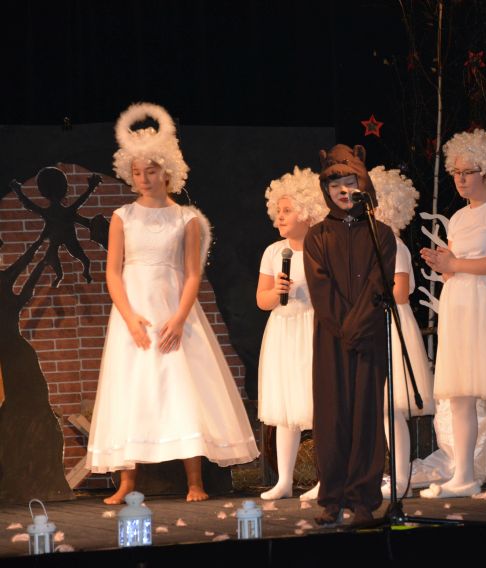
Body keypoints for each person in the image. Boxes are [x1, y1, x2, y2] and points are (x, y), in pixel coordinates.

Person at [85, 102, 259, 504]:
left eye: (151, 171)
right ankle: (127, 482)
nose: (144, 178)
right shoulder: (122, 216)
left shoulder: (186, 219)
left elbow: (193, 273)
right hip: (134, 313)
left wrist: (180, 318)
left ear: (167, 171)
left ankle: (195, 480)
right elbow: (113, 273)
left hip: (174, 311)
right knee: (130, 388)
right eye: (137, 172)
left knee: (182, 388)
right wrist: (129, 318)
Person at [419, 129, 486, 500]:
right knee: (461, 393)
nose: (460, 179)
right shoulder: (459, 217)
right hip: (460, 304)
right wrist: (443, 263)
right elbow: (453, 268)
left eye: (468, 172)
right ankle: (464, 475)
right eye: (456, 172)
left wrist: (455, 264)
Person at [303, 144, 396, 525]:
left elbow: (379, 283)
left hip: (369, 336)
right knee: (332, 416)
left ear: (363, 185)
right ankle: (333, 497)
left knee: (366, 417)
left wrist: (358, 328)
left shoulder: (381, 234)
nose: (343, 190)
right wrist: (345, 329)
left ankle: (363, 499)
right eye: (335, 184)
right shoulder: (316, 236)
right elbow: (320, 287)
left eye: (350, 182)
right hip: (332, 337)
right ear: (326, 190)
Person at [255, 166, 327, 500]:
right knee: (285, 408)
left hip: (313, 328)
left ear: (308, 212)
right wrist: (278, 291)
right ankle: (284, 480)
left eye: (288, 210)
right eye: (278, 210)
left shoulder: (323, 248)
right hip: (283, 330)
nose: (280, 216)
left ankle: (325, 478)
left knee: (318, 405)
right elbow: (262, 300)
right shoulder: (273, 252)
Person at [370, 166, 436, 498]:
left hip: (392, 326)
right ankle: (394, 475)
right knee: (384, 411)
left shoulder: (394, 246)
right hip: (374, 324)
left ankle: (400, 478)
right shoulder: (374, 246)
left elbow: (399, 293)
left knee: (392, 408)